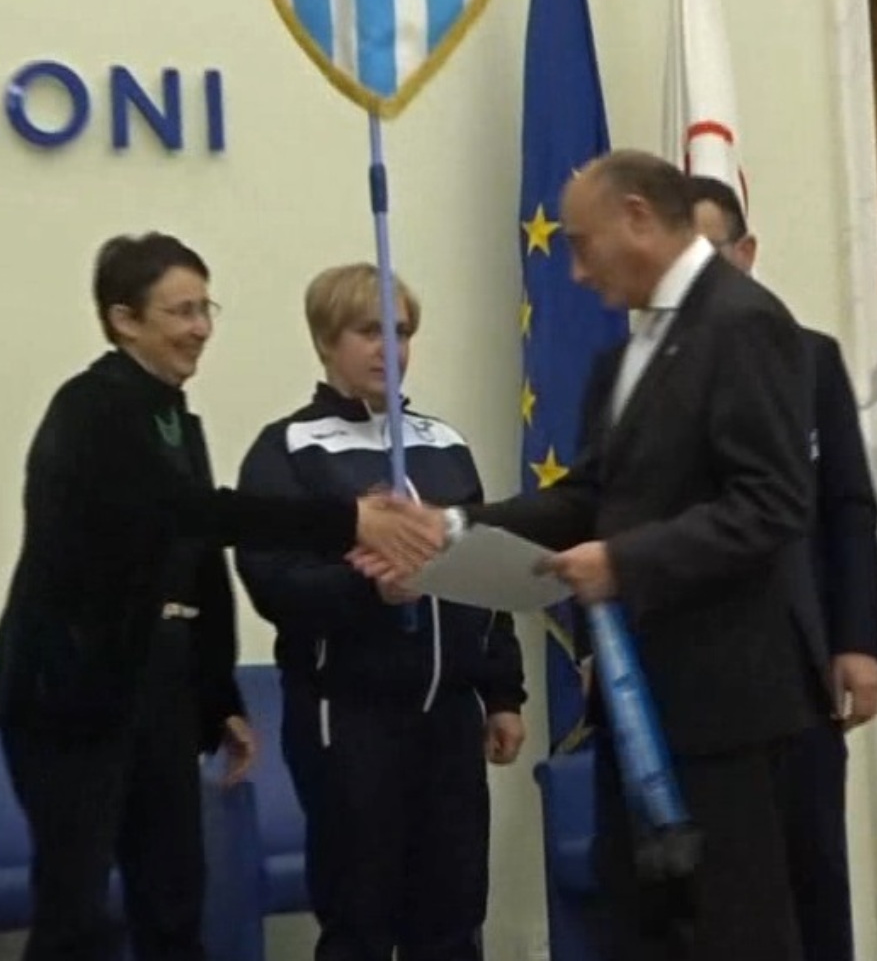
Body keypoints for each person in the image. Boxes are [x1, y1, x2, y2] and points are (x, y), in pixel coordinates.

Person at [353, 151, 830, 961]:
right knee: (638, 930)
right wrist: (450, 526)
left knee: (733, 933)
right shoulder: (627, 353)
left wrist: (624, 563)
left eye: (581, 244)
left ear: (638, 217)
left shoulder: (743, 322)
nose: (573, 271)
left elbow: (772, 503)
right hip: (634, 696)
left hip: (723, 705)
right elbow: (588, 497)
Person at [0, 232, 444, 961]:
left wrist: (217, 692)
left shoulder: (174, 418)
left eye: (205, 308)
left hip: (157, 691)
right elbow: (192, 514)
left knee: (175, 897)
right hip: (70, 692)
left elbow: (193, 569)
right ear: (124, 320)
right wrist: (349, 520)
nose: (200, 328)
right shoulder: (91, 408)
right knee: (77, 913)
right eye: (181, 311)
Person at [233, 263, 527, 961]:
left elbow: (484, 574)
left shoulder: (443, 446)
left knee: (453, 916)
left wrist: (502, 693)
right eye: (369, 332)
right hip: (350, 720)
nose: (389, 349)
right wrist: (368, 592)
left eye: (401, 332)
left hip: (449, 719)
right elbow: (273, 583)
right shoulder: (288, 452)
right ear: (325, 340)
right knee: (361, 917)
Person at [687, 174, 877, 961]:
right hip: (697, 675)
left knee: (812, 875)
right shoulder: (646, 372)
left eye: (709, 254)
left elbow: (848, 508)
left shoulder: (811, 360)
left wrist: (857, 642)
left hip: (800, 667)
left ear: (746, 253)